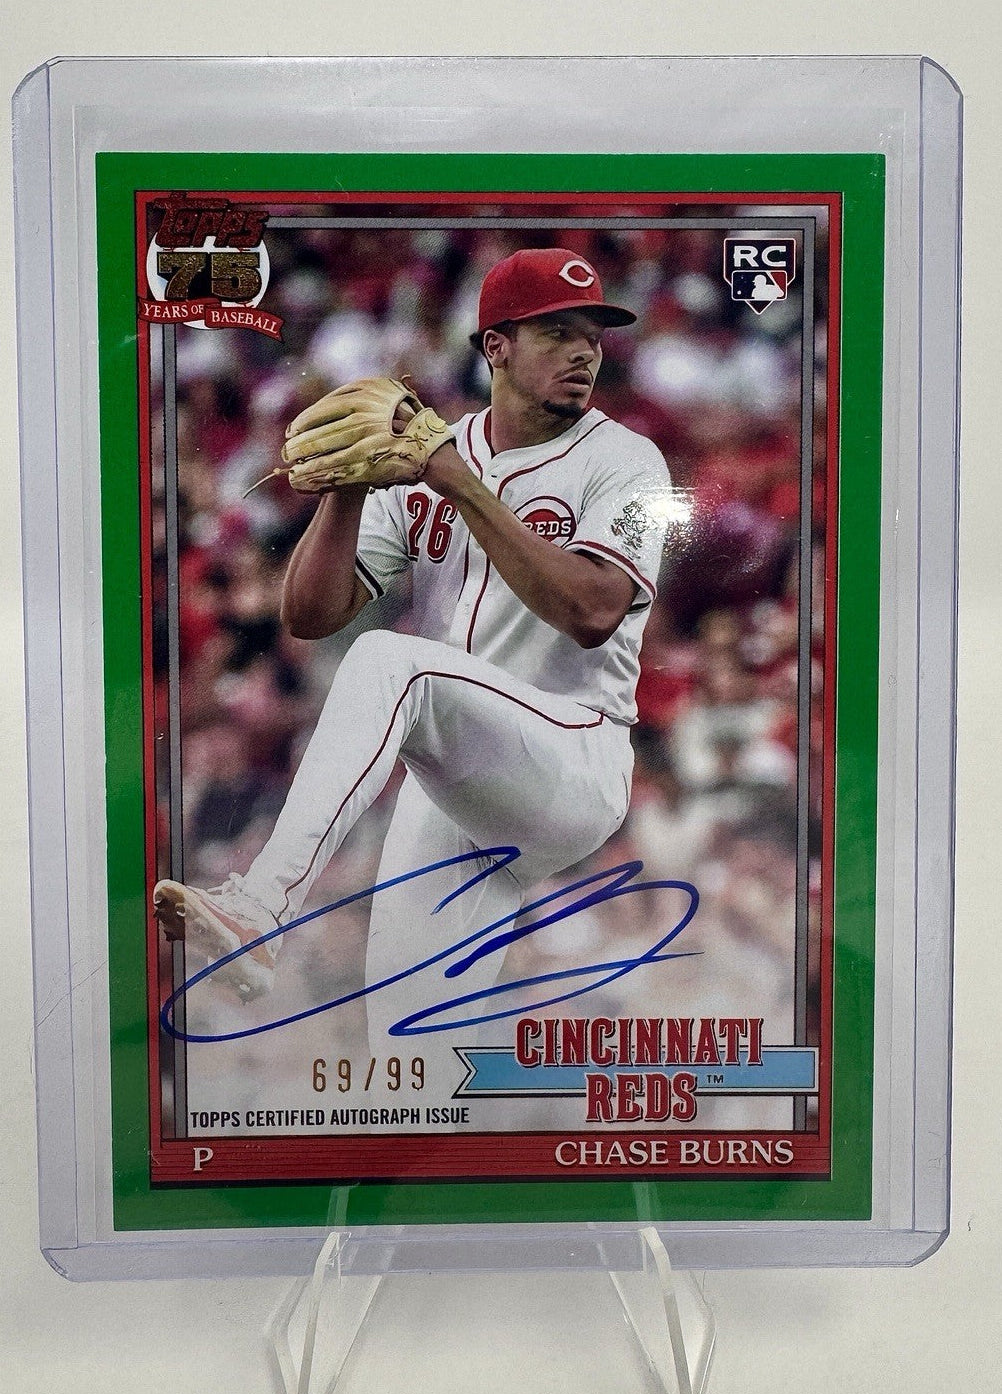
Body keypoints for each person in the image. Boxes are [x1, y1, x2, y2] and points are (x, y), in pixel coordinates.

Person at [154, 247, 674, 1049]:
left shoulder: (627, 462)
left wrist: (456, 479)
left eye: (593, 337)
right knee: (405, 1050)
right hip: (458, 781)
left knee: (390, 661)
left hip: (571, 758)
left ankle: (260, 905)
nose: (583, 352)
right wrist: (348, 490)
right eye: (557, 332)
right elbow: (309, 615)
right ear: (496, 345)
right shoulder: (430, 454)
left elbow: (594, 609)